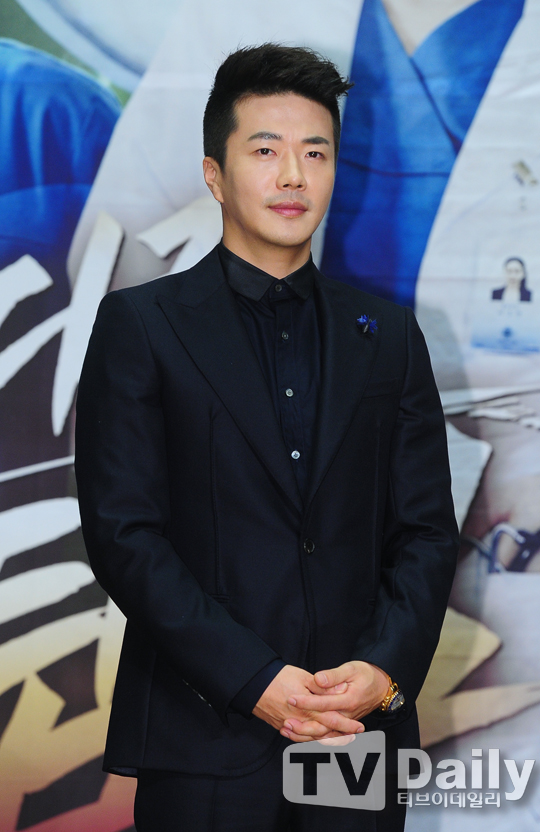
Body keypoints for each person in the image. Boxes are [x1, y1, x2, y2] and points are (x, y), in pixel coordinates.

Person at [75, 44, 458, 832]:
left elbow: (424, 531)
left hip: (354, 734)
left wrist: (383, 671)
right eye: (265, 151)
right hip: (205, 732)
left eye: (315, 153)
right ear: (214, 175)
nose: (293, 176)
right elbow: (125, 534)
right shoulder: (142, 326)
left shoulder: (388, 336)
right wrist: (254, 680)